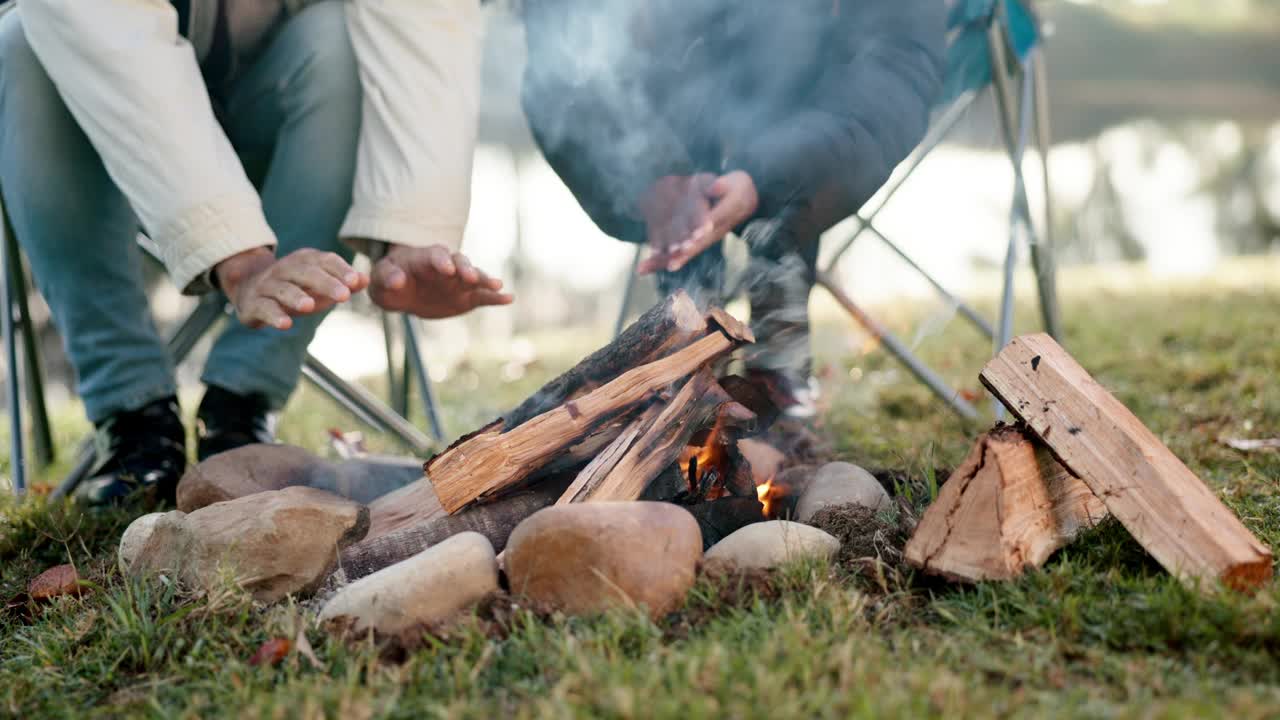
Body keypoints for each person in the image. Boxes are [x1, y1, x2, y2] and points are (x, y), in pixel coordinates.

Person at [0, 0, 512, 505]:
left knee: (341, 33)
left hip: (281, 113)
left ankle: (242, 402)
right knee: (21, 39)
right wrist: (235, 253)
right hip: (100, 125)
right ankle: (132, 416)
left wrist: (412, 230)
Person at [521, 0, 945, 416]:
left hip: (811, 100)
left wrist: (765, 180)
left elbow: (897, 69)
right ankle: (688, 332)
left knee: (787, 22)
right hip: (662, 102)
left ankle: (779, 339)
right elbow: (557, 62)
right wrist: (650, 177)